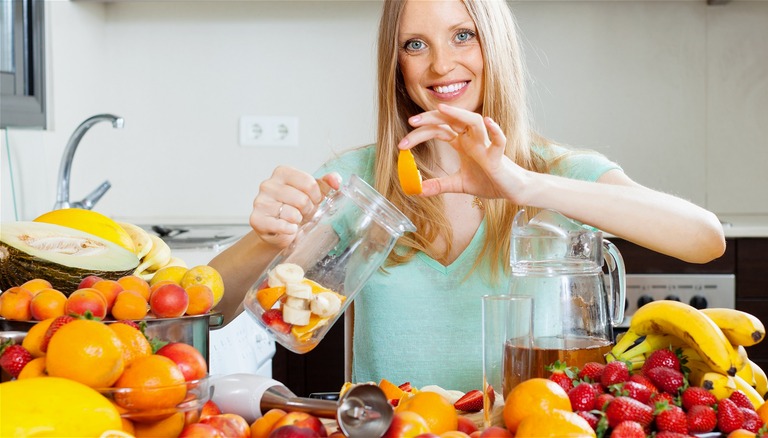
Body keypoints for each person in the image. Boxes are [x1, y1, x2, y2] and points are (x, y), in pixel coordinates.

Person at [210, 0, 725, 392]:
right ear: (396, 64)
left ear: (495, 46)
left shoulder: (558, 173)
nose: (440, 65)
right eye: (415, 45)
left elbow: (704, 239)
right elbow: (216, 313)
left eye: (463, 36)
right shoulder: (355, 180)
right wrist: (265, 239)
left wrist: (523, 184)